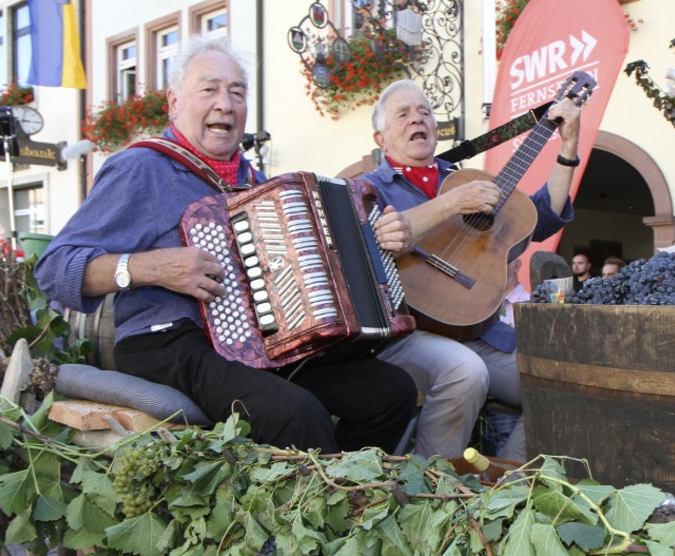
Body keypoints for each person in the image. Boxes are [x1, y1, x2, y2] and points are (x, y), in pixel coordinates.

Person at [35, 36, 416, 454]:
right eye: (209, 89)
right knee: (294, 412)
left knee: (389, 391)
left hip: (257, 345)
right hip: (168, 340)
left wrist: (372, 241)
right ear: (174, 101)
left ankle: (342, 492)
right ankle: (305, 506)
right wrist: (151, 268)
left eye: (237, 92)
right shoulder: (142, 168)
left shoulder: (256, 186)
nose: (225, 103)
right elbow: (54, 269)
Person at [362, 79, 581, 463]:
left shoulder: (465, 177)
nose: (418, 119)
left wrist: (567, 149)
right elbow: (372, 242)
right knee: (466, 371)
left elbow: (540, 216)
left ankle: (503, 486)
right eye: (404, 113)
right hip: (405, 331)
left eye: (425, 112)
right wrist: (451, 203)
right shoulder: (366, 189)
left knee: (560, 383)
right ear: (381, 137)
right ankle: (429, 487)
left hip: (476, 328)